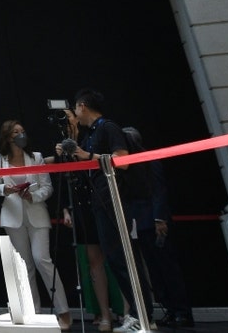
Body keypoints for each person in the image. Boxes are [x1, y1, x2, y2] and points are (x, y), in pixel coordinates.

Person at [60, 89, 152, 333]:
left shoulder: (108, 128)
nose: (75, 113)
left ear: (82, 106)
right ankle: (137, 315)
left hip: (115, 201)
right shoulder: (90, 133)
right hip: (100, 202)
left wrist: (87, 155)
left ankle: (142, 316)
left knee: (125, 259)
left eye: (75, 108)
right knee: (115, 259)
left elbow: (123, 160)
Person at [0, 120, 71, 331]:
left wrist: (32, 196)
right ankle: (34, 313)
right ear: (8, 137)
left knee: (42, 259)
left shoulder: (35, 157)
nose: (20, 135)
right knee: (25, 267)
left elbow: (48, 188)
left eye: (23, 131)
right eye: (16, 132)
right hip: (12, 216)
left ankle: (63, 311)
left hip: (36, 213)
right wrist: (5, 190)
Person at [53, 108, 118, 331]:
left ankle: (129, 311)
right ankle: (104, 311)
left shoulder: (91, 137)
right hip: (80, 205)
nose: (67, 121)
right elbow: (63, 176)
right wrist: (65, 210)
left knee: (117, 256)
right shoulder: (63, 145)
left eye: (69, 116)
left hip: (101, 199)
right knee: (93, 260)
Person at [122, 127, 193, 328]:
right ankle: (170, 309)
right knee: (154, 269)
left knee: (168, 267)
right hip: (139, 221)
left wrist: (159, 219)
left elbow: (158, 191)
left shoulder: (149, 159)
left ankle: (181, 311)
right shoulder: (128, 165)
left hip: (153, 220)